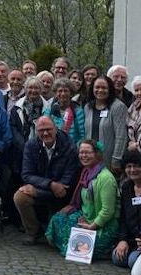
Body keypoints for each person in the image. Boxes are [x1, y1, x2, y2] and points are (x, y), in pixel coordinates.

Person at [45, 139, 118, 260]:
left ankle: (106, 248)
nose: (83, 156)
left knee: (78, 248)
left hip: (103, 225)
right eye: (81, 152)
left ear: (97, 154)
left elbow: (108, 210)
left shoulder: (106, 178)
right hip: (87, 216)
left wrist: (93, 225)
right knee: (57, 219)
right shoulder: (86, 173)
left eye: (87, 152)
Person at [13, 116, 79, 246]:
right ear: (36, 131)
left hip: (63, 197)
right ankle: (33, 232)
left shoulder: (69, 147)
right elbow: (26, 174)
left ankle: (50, 228)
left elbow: (65, 185)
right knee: (20, 197)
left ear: (56, 129)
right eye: (41, 130)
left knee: (53, 242)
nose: (45, 133)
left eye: (48, 129)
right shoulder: (31, 145)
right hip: (47, 189)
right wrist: (50, 185)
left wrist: (38, 191)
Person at [112, 150, 141, 269]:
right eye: (128, 166)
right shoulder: (126, 187)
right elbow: (123, 217)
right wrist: (122, 240)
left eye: (136, 166)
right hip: (131, 239)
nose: (132, 170)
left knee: (132, 262)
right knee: (117, 258)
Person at [82, 75, 128, 174]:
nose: (100, 90)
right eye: (97, 87)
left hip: (108, 158)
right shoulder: (87, 107)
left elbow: (121, 136)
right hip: (90, 158)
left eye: (104, 88)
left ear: (110, 89)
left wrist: (116, 159)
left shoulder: (118, 107)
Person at [43, 77, 85, 145]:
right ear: (56, 93)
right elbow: (44, 128)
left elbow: (82, 135)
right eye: (60, 91)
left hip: (72, 149)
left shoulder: (77, 111)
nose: (63, 94)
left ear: (71, 93)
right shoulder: (50, 110)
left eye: (66, 91)